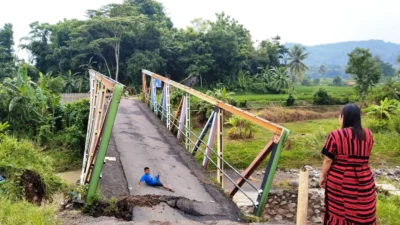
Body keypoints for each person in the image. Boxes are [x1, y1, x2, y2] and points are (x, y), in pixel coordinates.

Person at [320, 104, 376, 225]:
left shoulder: (335, 135)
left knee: (340, 213)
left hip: (340, 181)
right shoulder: (369, 134)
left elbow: (327, 159)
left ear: (343, 117)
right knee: (363, 211)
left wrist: (323, 176)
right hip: (365, 180)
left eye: (340, 116)